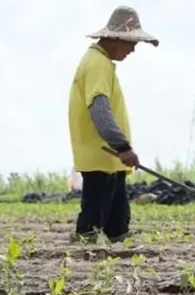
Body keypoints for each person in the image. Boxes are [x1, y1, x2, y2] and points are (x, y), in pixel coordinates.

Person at [68, 6, 158, 243]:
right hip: (102, 155)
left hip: (109, 159)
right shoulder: (98, 64)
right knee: (92, 219)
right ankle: (81, 258)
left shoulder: (100, 62)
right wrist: (122, 146)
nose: (133, 50)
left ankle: (120, 245)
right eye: (132, 43)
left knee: (118, 219)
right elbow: (99, 110)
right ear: (117, 39)